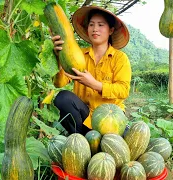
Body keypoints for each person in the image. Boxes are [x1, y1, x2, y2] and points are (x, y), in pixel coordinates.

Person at [51, 6, 131, 135]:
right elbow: (59, 83)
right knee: (62, 98)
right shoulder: (78, 55)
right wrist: (60, 57)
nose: (95, 29)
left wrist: (93, 84)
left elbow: (123, 90)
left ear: (110, 30)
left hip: (110, 117)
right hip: (84, 117)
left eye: (100, 25)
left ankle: (100, 141)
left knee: (123, 143)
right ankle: (79, 141)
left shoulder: (120, 58)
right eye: (91, 25)